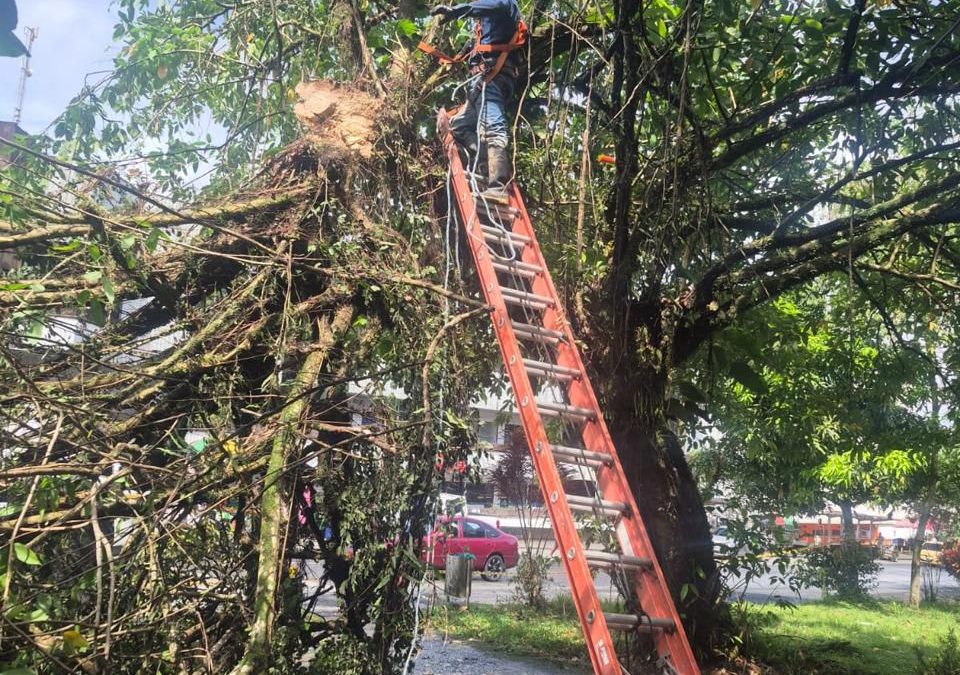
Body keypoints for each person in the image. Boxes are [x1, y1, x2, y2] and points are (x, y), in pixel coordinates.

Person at [430, 0, 524, 199]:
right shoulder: (486, 21)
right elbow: (476, 42)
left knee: (493, 127)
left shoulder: (504, 4)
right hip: (481, 83)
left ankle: (498, 186)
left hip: (494, 78)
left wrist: (456, 11)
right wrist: (455, 57)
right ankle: (483, 160)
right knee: (457, 127)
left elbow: (491, 5)